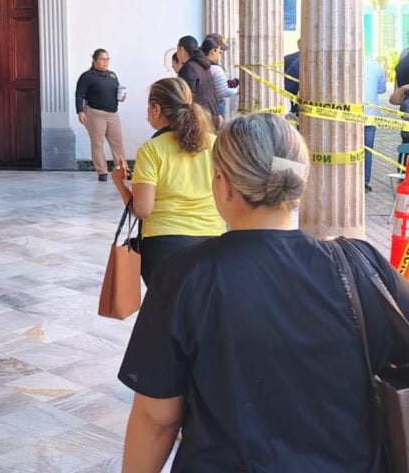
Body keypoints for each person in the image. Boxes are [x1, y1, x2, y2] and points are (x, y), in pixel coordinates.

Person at [117, 112, 409, 473]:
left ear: (223, 183)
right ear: (298, 180)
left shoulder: (184, 278)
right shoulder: (360, 265)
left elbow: (157, 418)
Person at [110, 77, 224, 287]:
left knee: (169, 314)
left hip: (165, 245)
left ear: (156, 109)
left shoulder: (152, 149)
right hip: (213, 240)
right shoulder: (215, 144)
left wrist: (119, 183)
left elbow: (142, 209)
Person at [75, 48, 125, 181]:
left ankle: (122, 169)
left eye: (108, 59)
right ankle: (102, 171)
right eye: (103, 59)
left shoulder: (112, 75)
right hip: (94, 113)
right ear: (94, 60)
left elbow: (117, 91)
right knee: (97, 143)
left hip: (112, 114)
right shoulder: (87, 76)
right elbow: (79, 94)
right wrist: (80, 111)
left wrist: (121, 97)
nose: (106, 62)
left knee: (117, 143)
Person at [176, 35, 219, 126]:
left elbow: (187, 99)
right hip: (213, 115)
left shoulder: (188, 68)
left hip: (201, 119)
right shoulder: (203, 65)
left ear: (181, 49)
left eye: (177, 49)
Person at [201, 35, 237, 126]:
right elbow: (222, 91)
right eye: (220, 51)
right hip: (215, 106)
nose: (220, 55)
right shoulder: (215, 68)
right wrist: (238, 91)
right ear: (213, 50)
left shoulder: (198, 65)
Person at [364, 54, 387, 192]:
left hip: (346, 116)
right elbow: (382, 89)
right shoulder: (376, 66)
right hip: (369, 116)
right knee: (367, 150)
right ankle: (364, 182)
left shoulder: (343, 63)